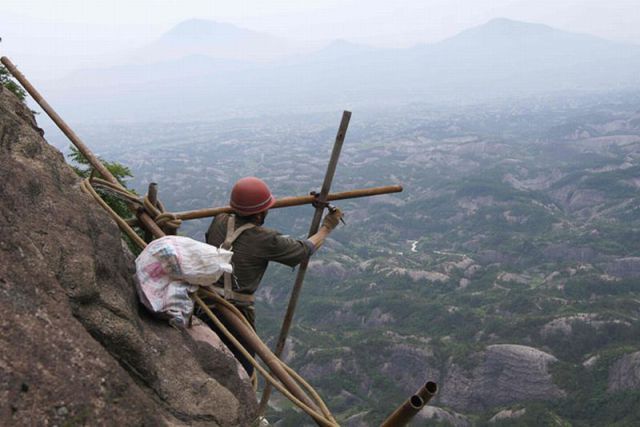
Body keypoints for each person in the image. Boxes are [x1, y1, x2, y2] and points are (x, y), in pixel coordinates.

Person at [196, 176, 343, 376]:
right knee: (244, 371)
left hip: (203, 304)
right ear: (258, 215)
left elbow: (239, 211)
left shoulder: (219, 219)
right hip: (234, 314)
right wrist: (327, 227)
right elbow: (303, 250)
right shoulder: (264, 239)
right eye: (265, 209)